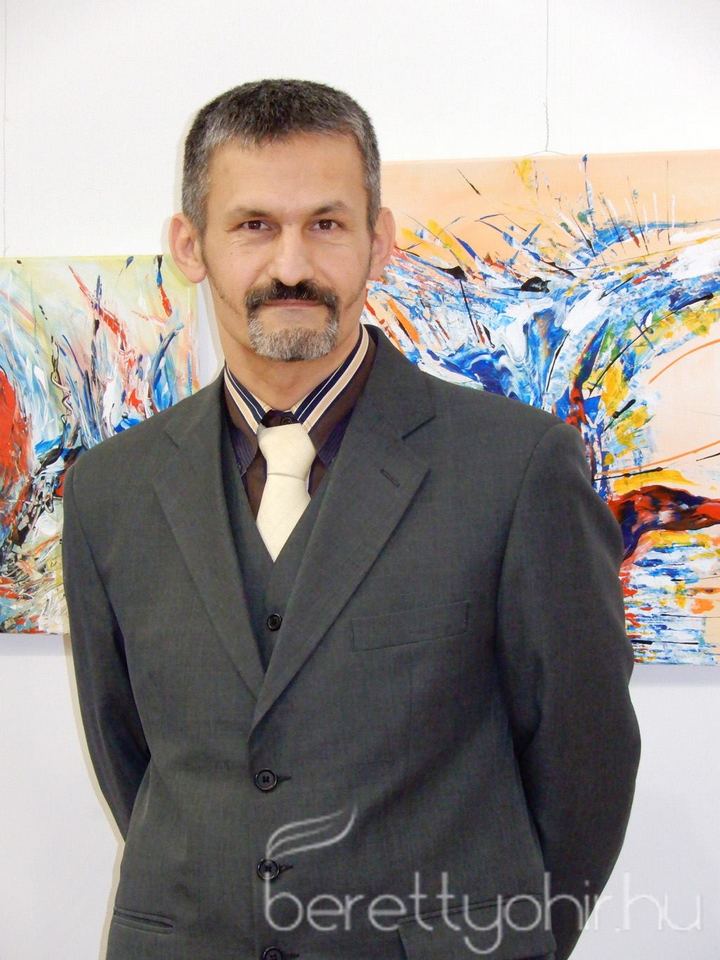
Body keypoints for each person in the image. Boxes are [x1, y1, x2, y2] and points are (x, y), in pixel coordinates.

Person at [62, 79, 640, 960]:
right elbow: (129, 758)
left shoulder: (519, 468)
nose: (292, 265)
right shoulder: (110, 489)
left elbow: (585, 763)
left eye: (327, 224)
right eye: (254, 225)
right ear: (190, 245)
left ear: (380, 240)